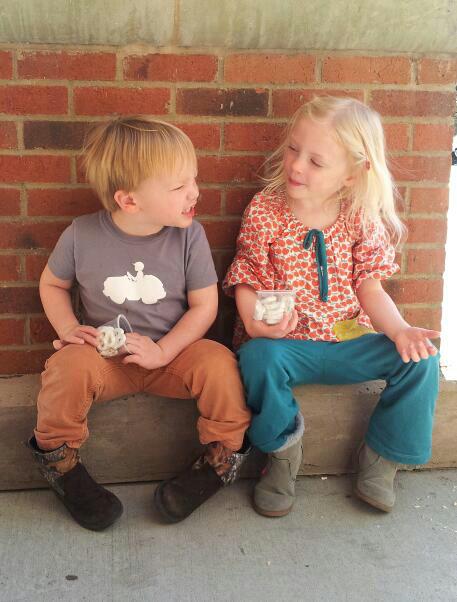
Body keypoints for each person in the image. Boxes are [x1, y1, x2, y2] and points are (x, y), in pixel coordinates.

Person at [27, 117, 251, 531]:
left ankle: (220, 460)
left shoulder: (189, 236)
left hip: (174, 356)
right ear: (130, 201)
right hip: (106, 359)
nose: (195, 192)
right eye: (179, 186)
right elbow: (52, 284)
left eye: (194, 179)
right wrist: (68, 329)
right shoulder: (81, 235)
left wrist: (164, 351)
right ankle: (60, 462)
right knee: (65, 367)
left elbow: (204, 306)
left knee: (220, 364)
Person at [223, 96, 440, 518]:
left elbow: (370, 288)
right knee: (256, 357)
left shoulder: (360, 215)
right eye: (293, 149)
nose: (296, 165)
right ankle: (282, 453)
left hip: (348, 340)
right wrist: (253, 322)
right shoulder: (266, 210)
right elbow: (247, 276)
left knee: (422, 361)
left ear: (352, 173)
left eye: (316, 162)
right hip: (286, 344)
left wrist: (399, 331)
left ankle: (381, 459)